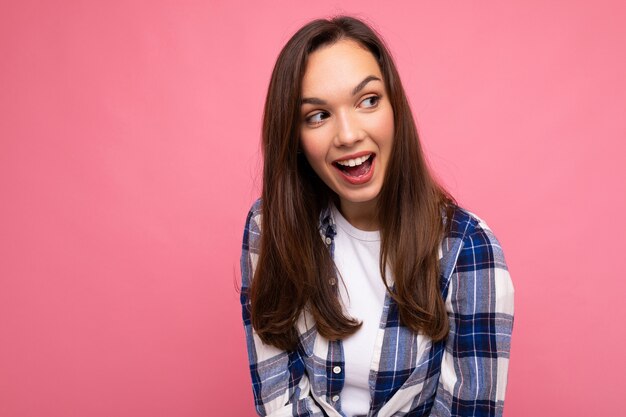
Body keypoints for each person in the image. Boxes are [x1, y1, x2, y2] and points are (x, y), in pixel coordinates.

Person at [240, 15, 514, 417]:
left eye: (368, 100)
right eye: (317, 115)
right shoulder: (271, 229)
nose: (348, 134)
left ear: (395, 107)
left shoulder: (468, 250)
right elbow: (279, 400)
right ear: (295, 139)